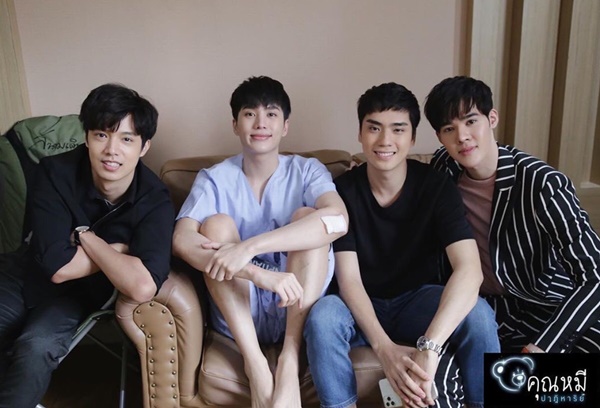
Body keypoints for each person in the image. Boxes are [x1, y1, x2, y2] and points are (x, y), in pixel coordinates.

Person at [303, 82, 499, 408]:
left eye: (397, 129)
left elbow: (469, 270)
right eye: (374, 128)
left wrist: (429, 348)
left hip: (418, 301)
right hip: (359, 304)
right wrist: (385, 349)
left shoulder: (436, 186)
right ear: (360, 133)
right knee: (322, 317)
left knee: (478, 314)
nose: (385, 141)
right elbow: (349, 280)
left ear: (413, 137)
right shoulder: (342, 191)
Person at [172, 76, 348, 408]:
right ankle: (255, 364)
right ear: (235, 124)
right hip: (240, 310)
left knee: (309, 216)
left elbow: (338, 220)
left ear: (285, 126)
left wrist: (249, 248)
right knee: (216, 225)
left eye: (271, 114)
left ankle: (290, 358)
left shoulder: (307, 170)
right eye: (250, 114)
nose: (260, 123)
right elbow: (182, 240)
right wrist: (256, 272)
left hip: (298, 302)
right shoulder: (214, 178)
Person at [0, 83, 174, 407]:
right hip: (24, 271)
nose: (111, 150)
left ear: (144, 146)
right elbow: (56, 266)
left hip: (79, 295)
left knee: (36, 347)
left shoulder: (155, 200)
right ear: (87, 137)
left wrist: (83, 237)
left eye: (126, 139)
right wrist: (117, 251)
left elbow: (141, 285)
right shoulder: (55, 172)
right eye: (101, 135)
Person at [424, 75, 600, 354]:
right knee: (437, 373)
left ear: (492, 118)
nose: (462, 136)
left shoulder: (542, 183)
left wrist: (544, 346)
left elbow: (594, 276)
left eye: (471, 121)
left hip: (544, 303)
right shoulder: (443, 168)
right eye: (449, 128)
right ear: (440, 137)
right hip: (482, 305)